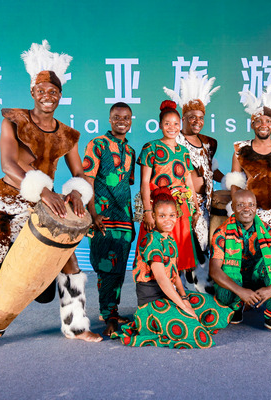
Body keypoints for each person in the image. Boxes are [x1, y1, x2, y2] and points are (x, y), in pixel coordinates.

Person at [0, 40, 102, 354]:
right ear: (32, 93)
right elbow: (8, 165)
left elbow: (80, 172)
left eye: (53, 91)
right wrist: (45, 190)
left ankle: (77, 326)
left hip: (44, 206)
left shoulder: (68, 134)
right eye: (41, 90)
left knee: (69, 264)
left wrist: (76, 191)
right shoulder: (13, 120)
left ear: (60, 96)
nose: (47, 96)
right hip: (8, 202)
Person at [111, 188, 232, 348]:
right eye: (162, 216)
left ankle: (182, 312)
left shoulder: (170, 240)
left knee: (212, 306)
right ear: (154, 216)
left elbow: (174, 275)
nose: (168, 220)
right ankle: (154, 322)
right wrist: (184, 307)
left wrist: (184, 298)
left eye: (172, 215)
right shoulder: (151, 241)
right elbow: (162, 280)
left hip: (169, 297)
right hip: (152, 303)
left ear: (177, 215)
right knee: (192, 328)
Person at [164, 72, 223, 293]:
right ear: (183, 118)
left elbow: (210, 170)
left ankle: (200, 294)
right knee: (181, 248)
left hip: (204, 207)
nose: (197, 122)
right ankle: (177, 293)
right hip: (181, 205)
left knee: (202, 249)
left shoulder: (208, 143)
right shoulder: (174, 140)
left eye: (200, 118)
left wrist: (233, 182)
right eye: (191, 117)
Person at [209, 190, 271, 334]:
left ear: (256, 207)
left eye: (251, 205)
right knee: (225, 273)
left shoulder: (268, 232)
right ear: (233, 207)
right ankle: (235, 308)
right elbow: (214, 270)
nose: (247, 209)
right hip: (235, 283)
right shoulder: (221, 233)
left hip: (257, 279)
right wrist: (241, 292)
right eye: (240, 205)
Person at [83, 102, 136, 336]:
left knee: (119, 269)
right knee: (106, 268)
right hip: (102, 217)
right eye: (117, 117)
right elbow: (87, 181)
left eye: (126, 117)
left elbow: (125, 185)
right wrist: (93, 214)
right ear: (110, 119)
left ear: (131, 121)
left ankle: (111, 311)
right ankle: (109, 317)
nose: (121, 121)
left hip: (124, 219)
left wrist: (132, 219)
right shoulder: (97, 144)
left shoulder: (131, 151)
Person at [226, 85, 271, 244]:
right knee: (251, 250)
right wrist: (237, 210)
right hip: (248, 209)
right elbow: (235, 184)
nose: (263, 125)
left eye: (268, 121)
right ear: (252, 124)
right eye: (258, 121)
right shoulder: (240, 149)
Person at [136, 100, 201, 273]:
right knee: (157, 251)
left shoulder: (184, 151)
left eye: (175, 124)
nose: (172, 127)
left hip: (181, 208)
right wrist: (147, 211)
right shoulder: (150, 147)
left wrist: (196, 208)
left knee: (178, 253)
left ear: (181, 125)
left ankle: (176, 285)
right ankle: (157, 286)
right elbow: (144, 182)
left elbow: (188, 182)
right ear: (160, 125)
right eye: (167, 124)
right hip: (159, 208)